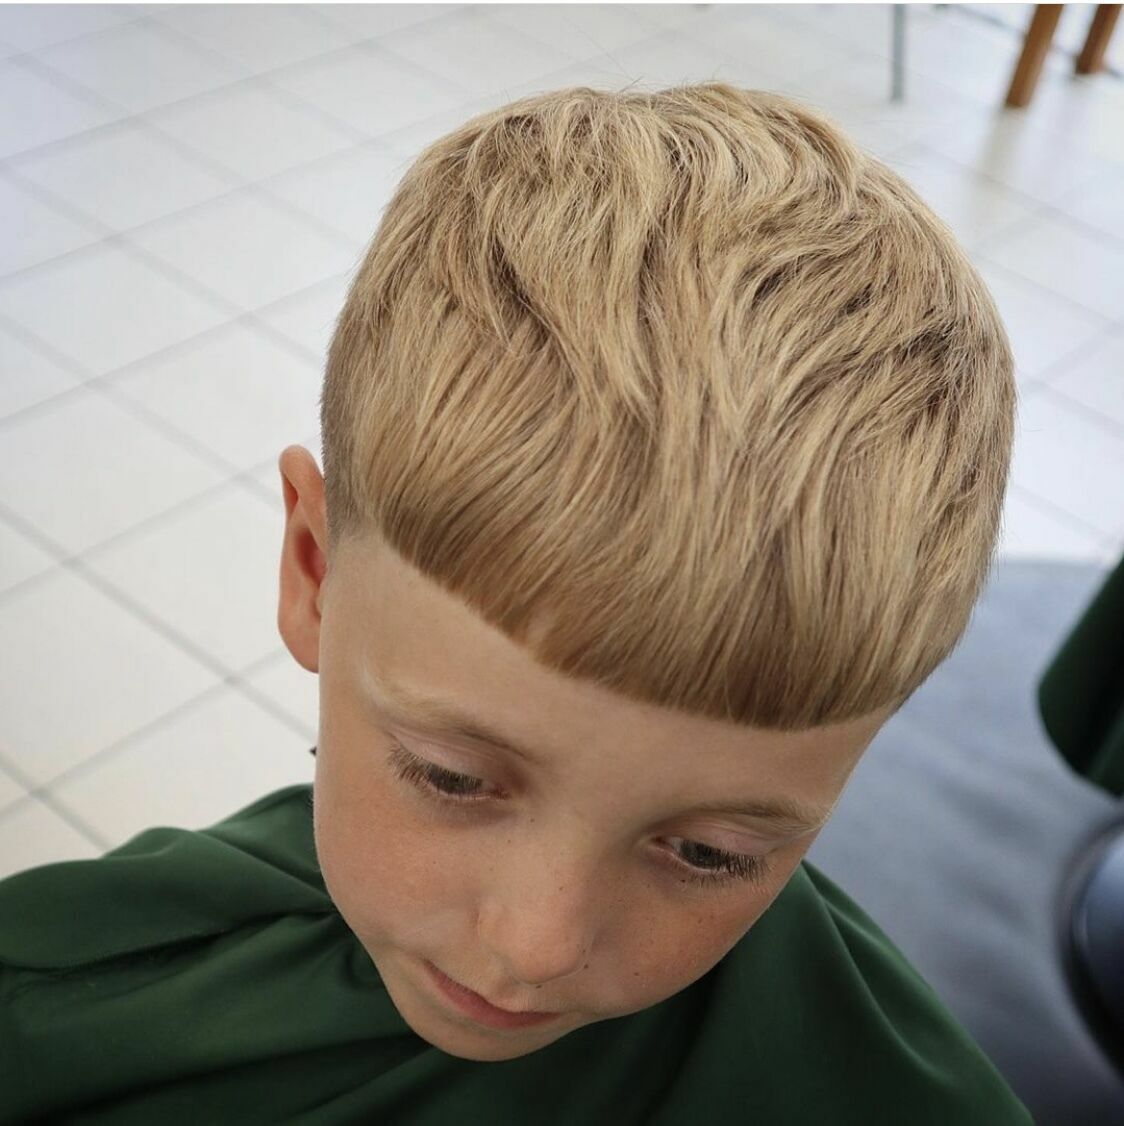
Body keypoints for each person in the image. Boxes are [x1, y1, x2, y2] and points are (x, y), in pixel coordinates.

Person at [0, 82, 1033, 1124]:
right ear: (314, 569)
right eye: (451, 778)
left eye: (708, 853)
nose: (537, 945)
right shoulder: (62, 998)